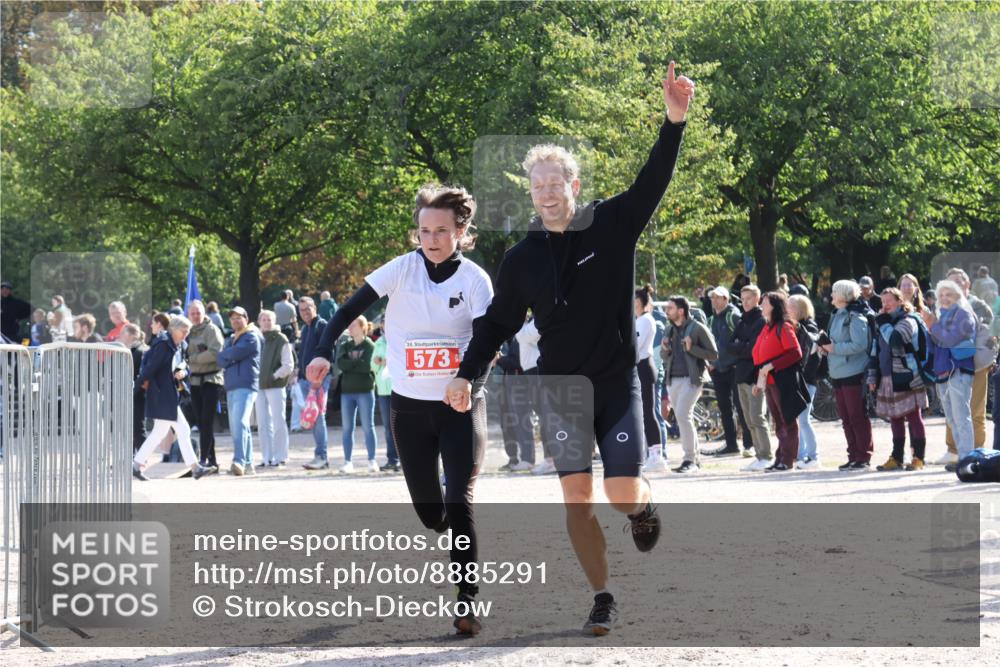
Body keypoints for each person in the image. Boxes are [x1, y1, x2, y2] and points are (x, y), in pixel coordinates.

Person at [442, 62, 694, 635]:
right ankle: (603, 596)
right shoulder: (521, 259)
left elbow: (653, 179)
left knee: (620, 492)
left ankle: (641, 508)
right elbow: (496, 324)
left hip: (615, 381)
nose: (547, 192)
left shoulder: (612, 223)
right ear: (531, 193)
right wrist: (466, 374)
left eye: (556, 183)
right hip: (560, 391)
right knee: (576, 498)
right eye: (538, 186)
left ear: (573, 187)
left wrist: (673, 121)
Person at [307, 183, 495, 635]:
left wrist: (469, 382)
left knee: (459, 499)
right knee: (433, 515)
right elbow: (346, 310)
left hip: (460, 406)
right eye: (424, 231)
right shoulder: (401, 269)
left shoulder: (475, 280)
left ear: (461, 231)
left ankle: (467, 600)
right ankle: (447, 523)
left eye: (441, 231)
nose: (431, 239)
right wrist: (321, 351)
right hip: (410, 410)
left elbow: (488, 340)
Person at [132, 316, 213, 481]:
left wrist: (183, 371)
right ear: (173, 329)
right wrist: (137, 388)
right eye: (184, 331)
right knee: (182, 429)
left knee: (160, 432)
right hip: (162, 394)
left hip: (168, 394)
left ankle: (136, 465)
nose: (186, 334)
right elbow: (150, 368)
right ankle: (195, 468)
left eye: (188, 331)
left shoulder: (178, 344)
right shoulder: (163, 344)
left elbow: (184, 363)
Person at [869, 288, 929, 471]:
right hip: (887, 377)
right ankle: (896, 457)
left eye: (889, 301)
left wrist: (883, 323)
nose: (885, 305)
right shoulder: (883, 322)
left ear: (900, 301)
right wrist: (872, 376)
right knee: (894, 417)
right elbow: (875, 351)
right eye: (883, 302)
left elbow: (896, 340)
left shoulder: (908, 320)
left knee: (914, 416)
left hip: (908, 376)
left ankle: (918, 458)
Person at [940, 267, 996, 461]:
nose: (954, 285)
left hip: (976, 365)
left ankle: (978, 452)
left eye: (958, 281)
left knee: (976, 411)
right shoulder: (942, 307)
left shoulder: (979, 306)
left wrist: (989, 359)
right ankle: (953, 451)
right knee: (951, 409)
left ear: (967, 284)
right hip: (950, 366)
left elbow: (990, 337)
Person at [819, 280, 875, 471]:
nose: (831, 295)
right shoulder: (836, 315)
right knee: (846, 418)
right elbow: (835, 342)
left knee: (857, 416)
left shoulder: (856, 316)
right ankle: (853, 455)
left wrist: (833, 348)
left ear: (843, 295)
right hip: (837, 372)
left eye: (834, 291)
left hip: (854, 371)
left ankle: (863, 456)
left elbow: (860, 345)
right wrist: (826, 348)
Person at [923, 280, 977, 471]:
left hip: (959, 370)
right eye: (941, 295)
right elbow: (935, 345)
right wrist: (929, 328)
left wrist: (933, 325)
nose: (944, 298)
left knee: (961, 417)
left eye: (949, 294)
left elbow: (950, 339)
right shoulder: (940, 315)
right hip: (943, 370)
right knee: (952, 418)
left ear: (957, 296)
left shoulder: (963, 314)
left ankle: (967, 460)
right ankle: (962, 457)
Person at [659, 295, 718, 473]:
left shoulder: (697, 328)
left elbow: (713, 354)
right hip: (673, 379)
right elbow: (664, 356)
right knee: (683, 417)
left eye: (670, 308)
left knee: (683, 415)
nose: (666, 311)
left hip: (692, 379)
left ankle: (689, 459)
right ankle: (694, 460)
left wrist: (693, 348)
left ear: (681, 311)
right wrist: (665, 349)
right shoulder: (669, 329)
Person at [751, 292, 804, 472]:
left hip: (783, 380)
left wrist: (772, 365)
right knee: (778, 421)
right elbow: (760, 358)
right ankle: (780, 457)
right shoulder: (767, 327)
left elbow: (795, 353)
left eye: (764, 303)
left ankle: (788, 459)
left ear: (774, 306)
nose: (761, 306)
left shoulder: (784, 326)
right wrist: (759, 382)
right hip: (769, 381)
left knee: (787, 420)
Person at [706, 285, 752, 457]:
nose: (714, 300)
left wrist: (738, 361)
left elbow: (744, 340)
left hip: (734, 368)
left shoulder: (733, 316)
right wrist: (711, 363)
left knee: (741, 407)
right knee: (724, 408)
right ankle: (731, 445)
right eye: (712, 297)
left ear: (726, 299)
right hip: (718, 370)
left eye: (717, 297)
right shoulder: (711, 320)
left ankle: (749, 444)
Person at [730, 285, 772, 469]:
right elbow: (729, 346)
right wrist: (742, 345)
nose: (745, 302)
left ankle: (767, 456)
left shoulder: (761, 321)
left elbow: (753, 349)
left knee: (757, 417)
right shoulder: (741, 321)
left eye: (748, 298)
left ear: (757, 299)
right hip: (740, 375)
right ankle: (759, 454)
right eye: (742, 298)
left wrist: (741, 345)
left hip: (755, 376)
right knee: (748, 420)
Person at [217, 306, 261, 476]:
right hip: (232, 385)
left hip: (245, 385)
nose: (235, 320)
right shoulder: (232, 338)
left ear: (246, 319)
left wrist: (228, 356)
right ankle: (248, 464)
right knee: (240, 426)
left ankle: (239, 461)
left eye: (239, 317)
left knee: (240, 423)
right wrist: (228, 356)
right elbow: (222, 360)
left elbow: (233, 354)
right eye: (233, 318)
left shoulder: (251, 336)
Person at [336, 316, 379, 473]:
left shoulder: (370, 345)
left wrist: (351, 364)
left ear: (362, 327)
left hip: (365, 390)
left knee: (368, 426)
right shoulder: (345, 345)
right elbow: (340, 364)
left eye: (353, 325)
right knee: (347, 428)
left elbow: (367, 366)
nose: (350, 327)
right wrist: (356, 363)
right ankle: (348, 461)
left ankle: (372, 460)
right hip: (347, 392)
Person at [185, 300, 224, 471]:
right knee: (201, 422)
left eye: (198, 313)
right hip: (194, 381)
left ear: (204, 313)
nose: (195, 316)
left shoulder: (211, 330)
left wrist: (193, 359)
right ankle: (212, 461)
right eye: (192, 313)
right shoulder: (188, 331)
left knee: (207, 420)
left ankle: (203, 459)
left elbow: (215, 353)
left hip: (211, 380)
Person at [255, 309, 293, 468]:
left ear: (274, 321)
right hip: (258, 386)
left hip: (275, 386)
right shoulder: (256, 338)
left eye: (269, 319)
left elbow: (288, 365)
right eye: (263, 319)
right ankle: (267, 457)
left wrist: (273, 376)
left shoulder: (281, 339)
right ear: (259, 322)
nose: (266, 322)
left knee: (278, 421)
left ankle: (281, 456)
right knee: (262, 423)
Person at [516, 313, 552, 475]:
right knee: (543, 415)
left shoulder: (539, 318)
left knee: (546, 415)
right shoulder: (530, 322)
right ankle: (550, 459)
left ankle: (551, 460)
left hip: (537, 371)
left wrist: (521, 322)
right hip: (531, 373)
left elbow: (523, 336)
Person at [788, 294, 822, 469]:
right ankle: (801, 456)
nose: (787, 310)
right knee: (800, 420)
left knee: (804, 420)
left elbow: (810, 353)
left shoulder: (809, 327)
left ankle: (814, 456)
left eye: (790, 306)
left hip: (807, 380)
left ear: (799, 309)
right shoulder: (795, 327)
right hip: (799, 380)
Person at [298, 296, 332, 470]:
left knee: (318, 418)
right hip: (306, 380)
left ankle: (322, 456)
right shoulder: (306, 328)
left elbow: (328, 354)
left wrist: (319, 380)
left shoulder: (322, 325)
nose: (305, 312)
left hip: (318, 380)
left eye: (308, 308)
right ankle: (319, 455)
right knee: (312, 417)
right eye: (302, 310)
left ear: (315, 308)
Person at [635, 285, 664, 471]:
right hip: (639, 367)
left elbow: (635, 346)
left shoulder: (646, 320)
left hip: (644, 367)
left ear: (640, 301)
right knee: (642, 413)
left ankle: (657, 456)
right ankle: (650, 454)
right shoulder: (638, 320)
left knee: (648, 412)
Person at [496, 334, 533, 471]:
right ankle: (513, 459)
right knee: (506, 423)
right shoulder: (507, 338)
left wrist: (499, 360)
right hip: (506, 383)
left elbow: (518, 361)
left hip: (519, 383)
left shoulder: (522, 335)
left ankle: (527, 459)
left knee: (521, 421)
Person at [371, 319, 399, 472]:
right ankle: (392, 459)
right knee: (388, 427)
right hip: (383, 390)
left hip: (399, 389)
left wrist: (384, 362)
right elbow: (372, 364)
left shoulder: (401, 338)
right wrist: (380, 362)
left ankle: (404, 459)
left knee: (402, 426)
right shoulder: (379, 343)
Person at [118, 323, 148, 453]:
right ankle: (131, 457)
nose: (120, 336)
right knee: (131, 428)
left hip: (138, 394)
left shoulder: (141, 350)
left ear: (132, 335)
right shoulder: (132, 350)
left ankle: (141, 457)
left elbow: (142, 375)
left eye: (123, 333)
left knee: (137, 428)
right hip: (132, 393)